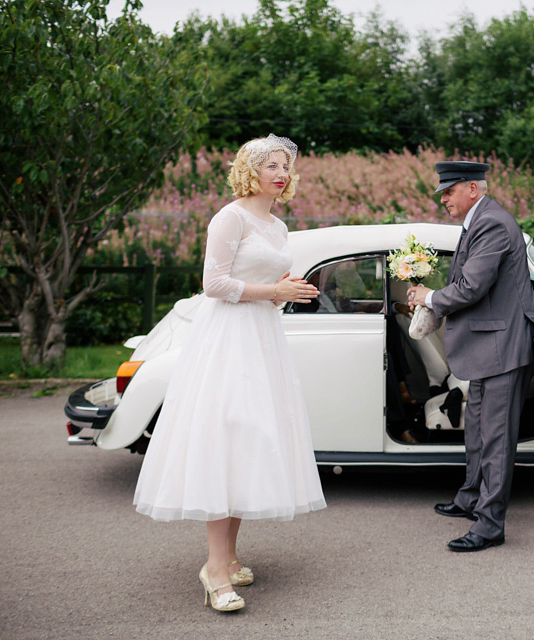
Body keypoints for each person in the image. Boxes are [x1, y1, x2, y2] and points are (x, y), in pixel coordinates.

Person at [133, 135, 326, 611]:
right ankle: (214, 570)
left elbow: (268, 286)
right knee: (224, 442)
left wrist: (287, 294)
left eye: (286, 166)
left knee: (249, 442)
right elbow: (213, 284)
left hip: (263, 339)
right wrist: (273, 291)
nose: (281, 174)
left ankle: (231, 556)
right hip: (227, 341)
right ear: (249, 170)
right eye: (271, 166)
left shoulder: (278, 227)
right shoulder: (230, 217)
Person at [408, 161, 534, 552]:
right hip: (488, 345)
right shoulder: (480, 220)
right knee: (479, 427)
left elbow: (471, 287)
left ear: (472, 189)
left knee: (496, 437)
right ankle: (470, 498)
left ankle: (489, 524)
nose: (443, 199)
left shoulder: (492, 223)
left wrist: (426, 297)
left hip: (500, 346)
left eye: (448, 192)